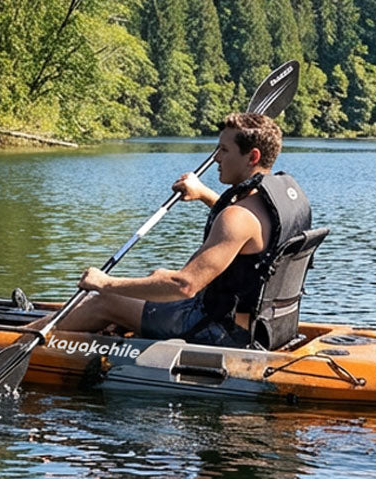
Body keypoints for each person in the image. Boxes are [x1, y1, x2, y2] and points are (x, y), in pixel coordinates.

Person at [34, 112, 311, 346]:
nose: (216, 159)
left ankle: (19, 337)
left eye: (224, 150)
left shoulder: (237, 216)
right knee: (156, 277)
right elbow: (245, 232)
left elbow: (185, 286)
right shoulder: (276, 201)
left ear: (252, 156)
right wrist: (203, 194)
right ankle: (87, 330)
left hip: (217, 331)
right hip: (261, 327)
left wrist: (104, 283)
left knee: (105, 300)